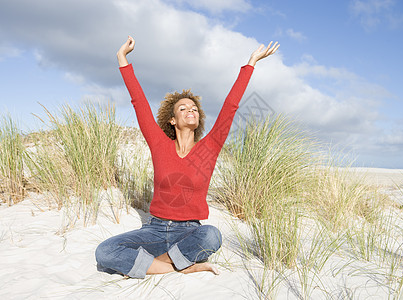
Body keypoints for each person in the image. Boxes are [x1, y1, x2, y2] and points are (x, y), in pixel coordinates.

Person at [95, 36, 279, 278]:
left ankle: (152, 266)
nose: (190, 110)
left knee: (212, 235)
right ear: (172, 120)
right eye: (183, 108)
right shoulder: (159, 144)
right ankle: (178, 266)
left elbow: (230, 106)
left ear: (198, 118)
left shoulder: (209, 148)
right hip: (156, 230)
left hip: (191, 233)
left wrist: (251, 63)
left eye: (194, 108)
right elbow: (139, 103)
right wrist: (122, 59)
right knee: (105, 252)